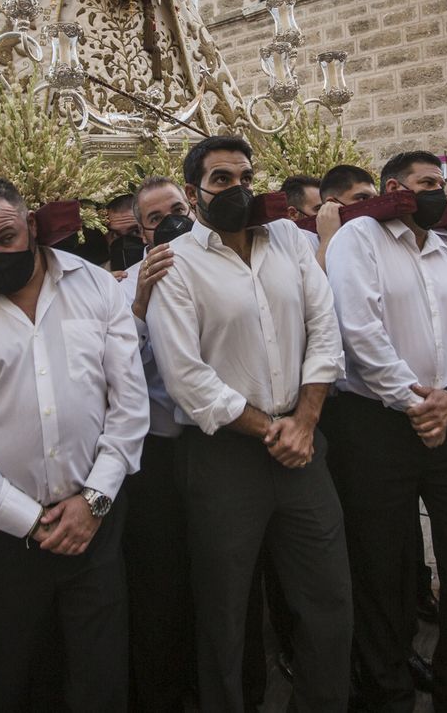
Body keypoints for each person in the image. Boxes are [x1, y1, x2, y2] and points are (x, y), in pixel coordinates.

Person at [0, 178, 149, 711]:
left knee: (98, 678)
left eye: (5, 237)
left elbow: (128, 404)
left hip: (93, 526)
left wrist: (94, 501)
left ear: (31, 227)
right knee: (2, 686)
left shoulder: (96, 287)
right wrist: (25, 518)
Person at [146, 135, 353, 713]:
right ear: (194, 193)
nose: (236, 188)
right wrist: (271, 431)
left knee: (328, 597)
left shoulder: (287, 239)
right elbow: (187, 377)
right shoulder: (176, 263)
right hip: (225, 458)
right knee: (225, 610)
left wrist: (305, 420)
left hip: (304, 443)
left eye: (243, 177)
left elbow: (325, 327)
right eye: (220, 180)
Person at [323, 151, 447, 713]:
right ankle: (387, 688)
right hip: (377, 425)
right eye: (427, 183)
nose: (439, 193)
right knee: (381, 562)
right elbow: (356, 328)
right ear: (394, 188)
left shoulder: (446, 255)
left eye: (440, 183)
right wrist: (413, 401)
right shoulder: (359, 239)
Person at [120, 175, 198, 710]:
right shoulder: (124, 285)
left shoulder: (219, 261)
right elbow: (121, 364)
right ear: (143, 232)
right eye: (156, 218)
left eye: (177, 208)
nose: (170, 220)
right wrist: (144, 294)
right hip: (159, 449)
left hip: (216, 444)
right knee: (161, 578)